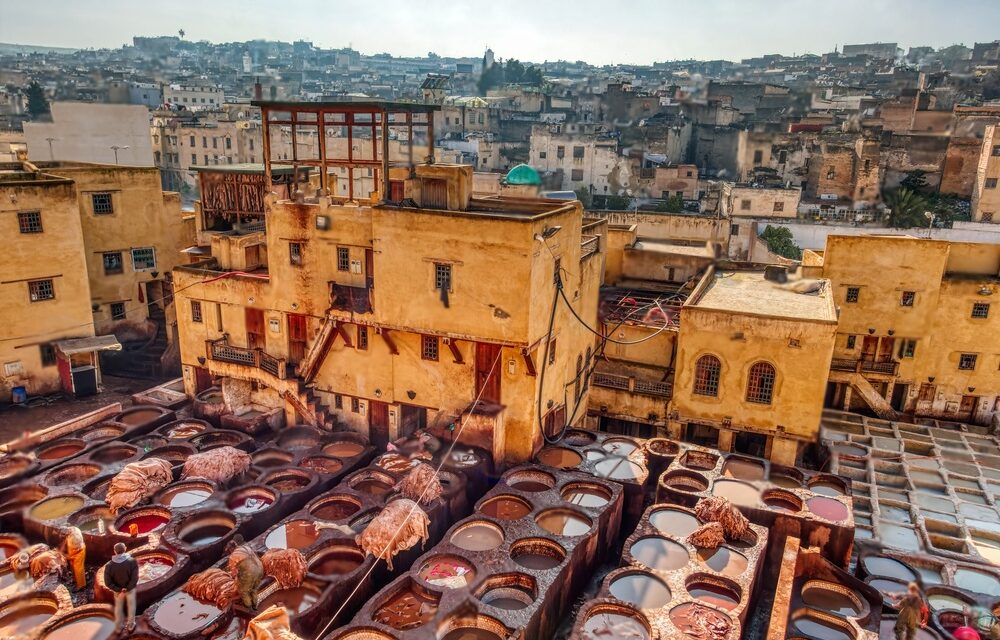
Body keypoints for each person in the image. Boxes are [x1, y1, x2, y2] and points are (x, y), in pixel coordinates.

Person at [103, 542, 138, 634]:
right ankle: (131, 625)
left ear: (114, 551)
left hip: (118, 591)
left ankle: (118, 627)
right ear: (125, 549)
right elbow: (135, 578)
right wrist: (127, 588)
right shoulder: (132, 561)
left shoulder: (109, 565)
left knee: (118, 607)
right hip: (130, 589)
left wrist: (119, 589)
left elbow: (107, 582)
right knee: (131, 605)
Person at [226, 536, 263, 610]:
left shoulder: (233, 556)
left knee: (244, 591)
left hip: (250, 573)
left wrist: (232, 577)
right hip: (260, 569)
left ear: (230, 549)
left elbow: (234, 573)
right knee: (254, 589)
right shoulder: (246, 547)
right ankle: (255, 606)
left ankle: (249, 609)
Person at [59, 525, 86, 590]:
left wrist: (65, 555)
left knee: (78, 569)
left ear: (67, 533)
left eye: (64, 535)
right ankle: (75, 580)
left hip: (78, 552)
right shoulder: (72, 529)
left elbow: (75, 551)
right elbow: (65, 540)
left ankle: (81, 586)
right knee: (72, 567)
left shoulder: (75, 538)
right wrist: (61, 549)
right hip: (73, 551)